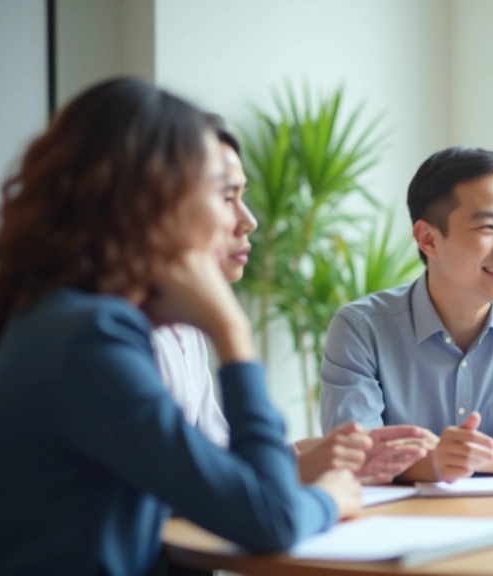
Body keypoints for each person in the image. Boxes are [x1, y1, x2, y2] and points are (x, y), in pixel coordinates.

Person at [0, 78, 358, 575]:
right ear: (156, 200)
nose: (237, 219)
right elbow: (270, 517)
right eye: (222, 194)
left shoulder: (55, 315)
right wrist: (233, 332)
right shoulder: (92, 338)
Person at [152, 117, 433, 485]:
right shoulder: (111, 335)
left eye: (243, 197)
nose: (249, 220)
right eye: (225, 198)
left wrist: (311, 452)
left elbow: (215, 451)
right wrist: (231, 329)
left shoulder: (181, 325)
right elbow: (204, 489)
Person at [319, 147, 493, 482]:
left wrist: (477, 456)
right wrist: (435, 464)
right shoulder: (361, 329)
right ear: (428, 239)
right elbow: (356, 460)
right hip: (398, 524)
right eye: (489, 228)